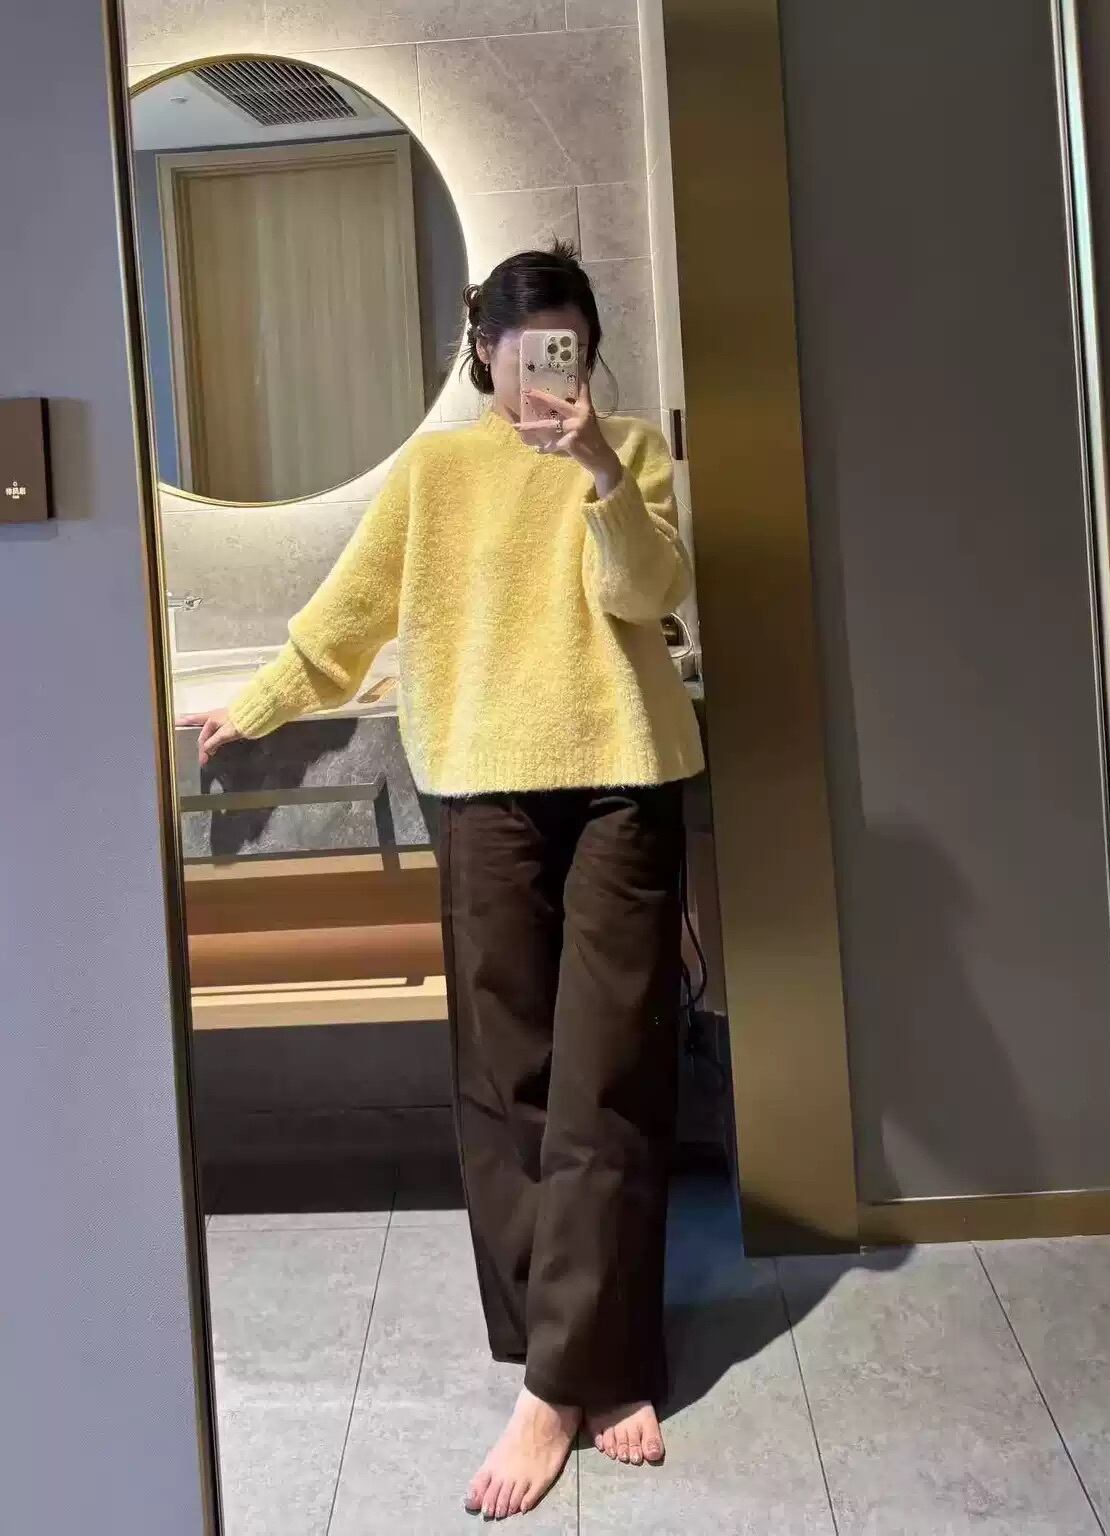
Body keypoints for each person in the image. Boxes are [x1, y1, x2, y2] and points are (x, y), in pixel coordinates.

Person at [179, 241, 705, 1521]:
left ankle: (573, 1376)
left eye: (567, 346)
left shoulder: (630, 451)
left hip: (624, 781)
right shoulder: (435, 472)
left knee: (611, 1078)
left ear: (589, 350)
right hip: (480, 788)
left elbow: (647, 593)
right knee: (506, 1081)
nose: (545, 372)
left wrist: (596, 471)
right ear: (483, 352)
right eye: (523, 350)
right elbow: (350, 614)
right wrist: (260, 702)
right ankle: (576, 1364)